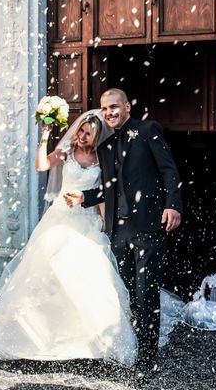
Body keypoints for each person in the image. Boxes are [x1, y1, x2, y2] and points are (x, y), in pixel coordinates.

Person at [0, 110, 137, 365]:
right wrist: (44, 137)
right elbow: (41, 165)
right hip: (60, 216)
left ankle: (91, 336)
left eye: (87, 133)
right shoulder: (66, 153)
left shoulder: (102, 159)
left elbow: (105, 192)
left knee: (86, 274)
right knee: (48, 268)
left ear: (97, 135)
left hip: (87, 219)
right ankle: (43, 333)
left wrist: (103, 221)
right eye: (79, 130)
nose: (81, 136)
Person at [64, 88, 183, 376]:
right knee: (125, 292)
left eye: (114, 107)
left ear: (127, 107)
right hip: (118, 231)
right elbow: (109, 187)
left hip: (148, 226)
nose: (109, 113)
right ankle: (130, 344)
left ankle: (147, 356)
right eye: (105, 109)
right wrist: (85, 197)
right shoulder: (105, 146)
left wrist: (173, 205)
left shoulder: (146, 130)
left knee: (146, 293)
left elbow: (169, 170)